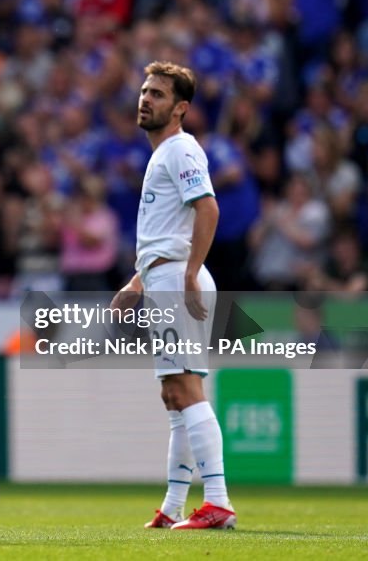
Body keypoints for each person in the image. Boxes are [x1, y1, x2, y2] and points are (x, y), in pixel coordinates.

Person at [111, 61, 235, 530]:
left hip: (177, 282)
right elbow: (169, 232)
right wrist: (137, 282)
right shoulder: (164, 153)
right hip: (162, 277)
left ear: (181, 108)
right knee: (174, 394)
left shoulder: (180, 150)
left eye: (158, 94)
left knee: (185, 390)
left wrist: (189, 273)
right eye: (144, 91)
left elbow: (208, 208)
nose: (145, 99)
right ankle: (173, 506)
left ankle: (218, 502)